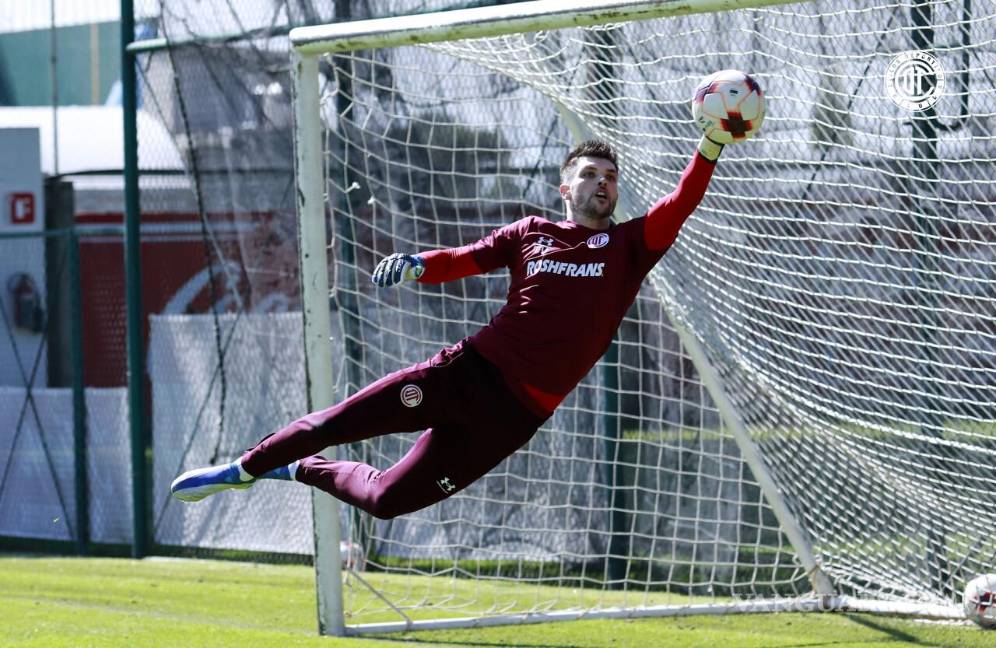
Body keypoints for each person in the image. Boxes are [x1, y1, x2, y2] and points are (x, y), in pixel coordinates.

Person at [170, 135, 725, 519]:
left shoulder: (630, 245)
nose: (602, 183)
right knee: (337, 422)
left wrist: (710, 145)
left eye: (610, 177)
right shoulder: (531, 232)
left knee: (386, 500)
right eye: (589, 174)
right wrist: (417, 264)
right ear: (565, 188)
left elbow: (684, 200)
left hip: (516, 417)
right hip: (467, 374)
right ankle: (241, 469)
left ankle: (297, 471)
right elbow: (463, 258)